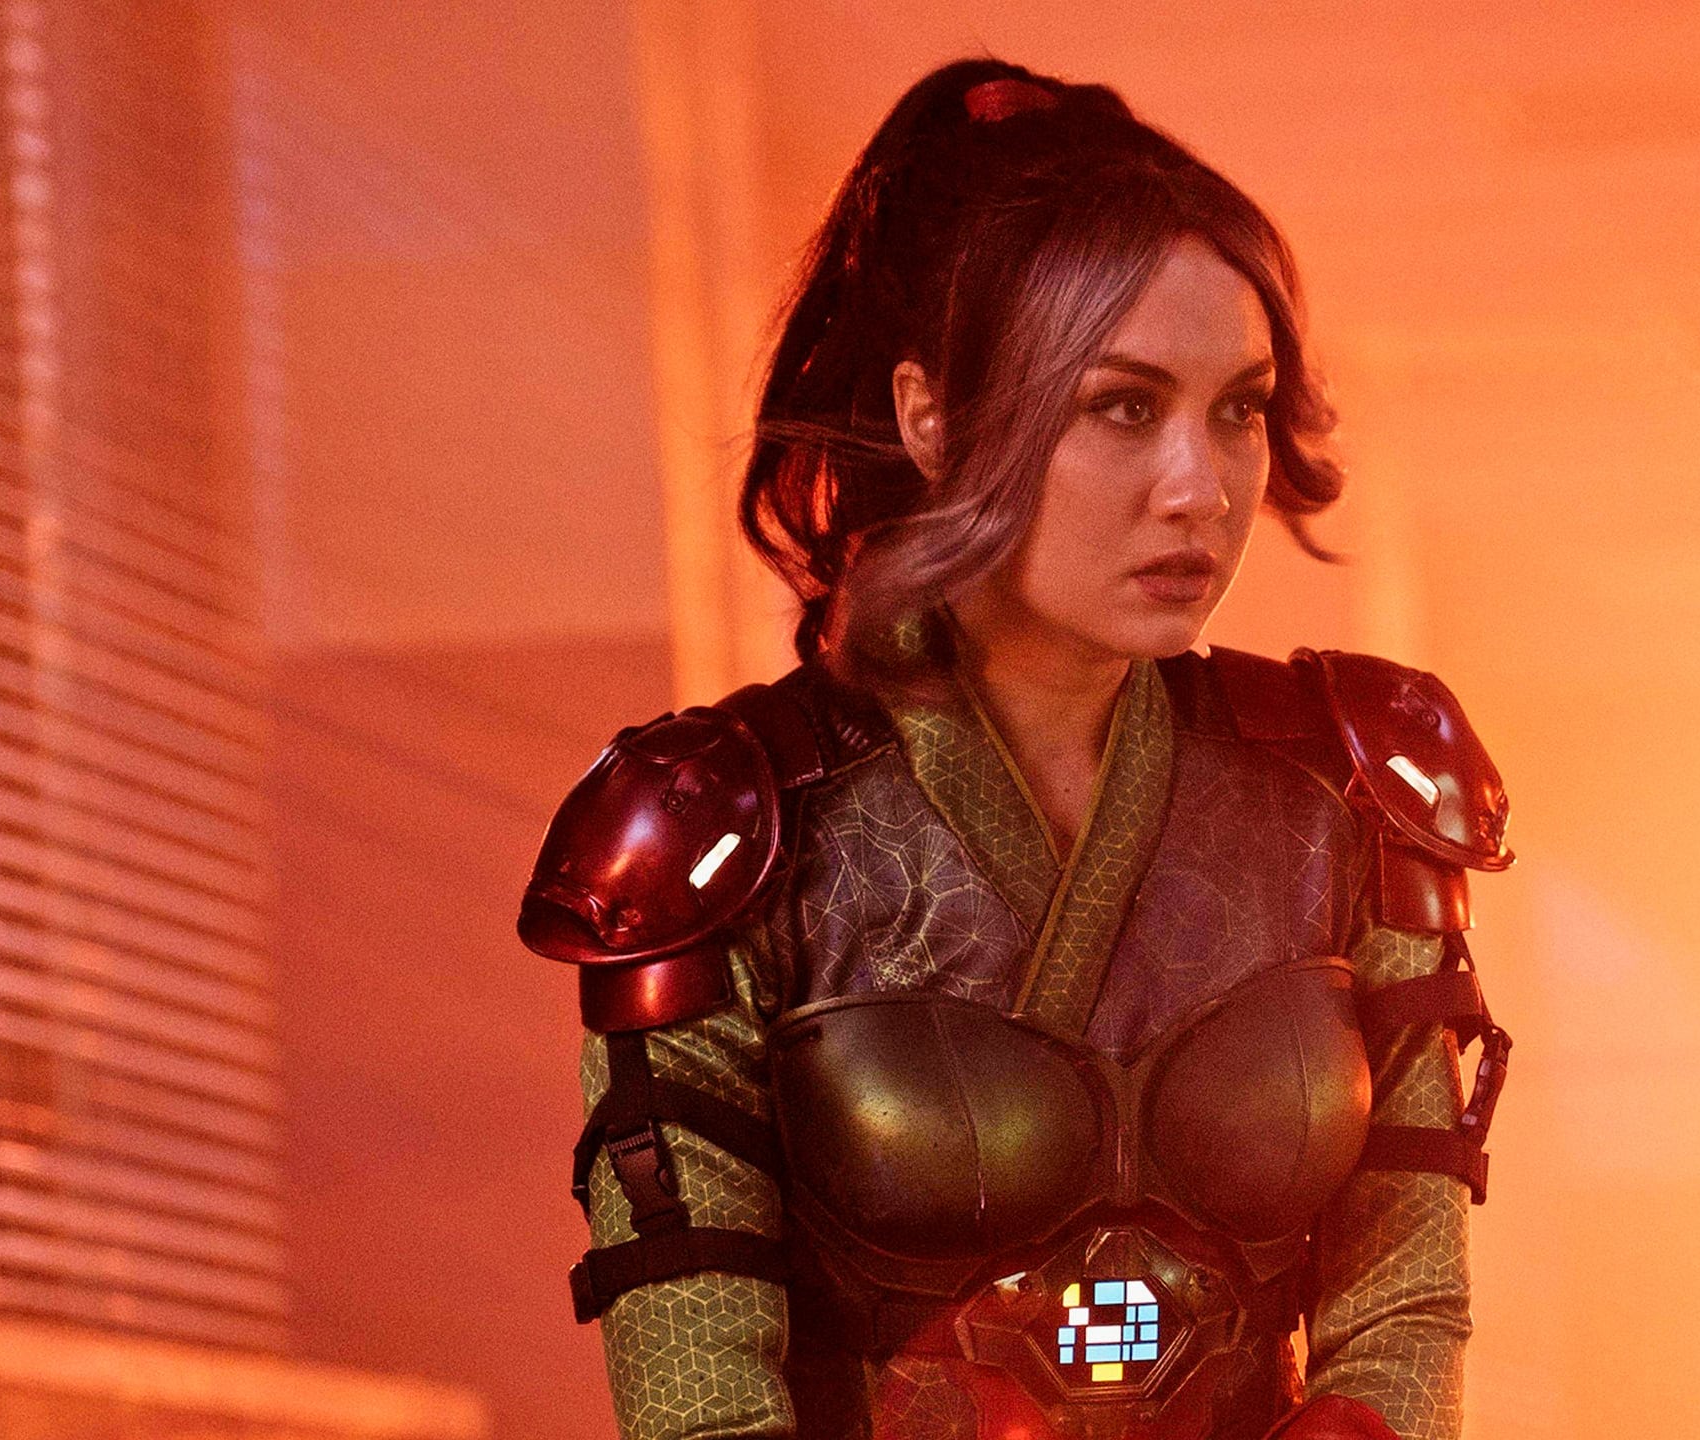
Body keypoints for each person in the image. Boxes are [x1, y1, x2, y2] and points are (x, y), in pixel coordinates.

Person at [518, 57, 1514, 1440]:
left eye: (1236, 409)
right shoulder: (722, 834)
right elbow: (696, 1376)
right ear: (930, 416)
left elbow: (1406, 1290)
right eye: (1124, 406)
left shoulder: (1346, 788)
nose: (1200, 487)